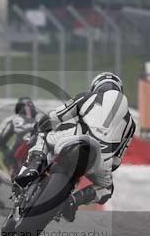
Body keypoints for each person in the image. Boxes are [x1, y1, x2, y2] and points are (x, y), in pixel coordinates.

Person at [14, 72, 136, 222]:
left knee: (42, 134)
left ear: (96, 87)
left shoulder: (86, 97)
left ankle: (33, 166)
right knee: (106, 190)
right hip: (101, 161)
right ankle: (74, 201)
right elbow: (117, 161)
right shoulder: (131, 124)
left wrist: (39, 126)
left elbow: (56, 117)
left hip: (75, 139)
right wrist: (102, 166)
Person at [0, 96, 39, 174]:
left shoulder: (14, 120)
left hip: (21, 148)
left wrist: (4, 147)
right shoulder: (40, 121)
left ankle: (13, 170)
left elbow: (1, 140)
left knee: (7, 156)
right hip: (37, 149)